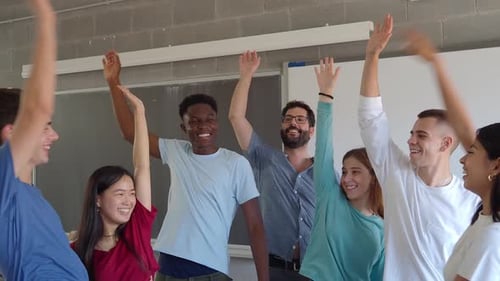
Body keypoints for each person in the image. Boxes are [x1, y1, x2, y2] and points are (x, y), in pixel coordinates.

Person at [103, 51, 269, 281]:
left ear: (217, 124)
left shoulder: (235, 164)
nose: (203, 126)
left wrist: (264, 278)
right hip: (168, 270)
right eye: (194, 121)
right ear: (184, 128)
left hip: (212, 272)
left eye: (209, 119)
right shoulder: (176, 151)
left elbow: (255, 226)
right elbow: (130, 133)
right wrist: (113, 82)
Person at [358, 14, 480, 281]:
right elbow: (371, 119)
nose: (411, 140)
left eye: (421, 135)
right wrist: (372, 56)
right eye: (412, 134)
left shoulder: (470, 200)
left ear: (446, 143)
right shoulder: (396, 175)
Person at [0, 1, 88, 280]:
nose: (54, 135)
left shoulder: (28, 194)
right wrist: (46, 17)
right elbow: (37, 109)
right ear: (11, 132)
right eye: (45, 128)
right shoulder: (4, 182)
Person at [405, 30, 500, 281]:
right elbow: (465, 129)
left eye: (471, 152)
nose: (461, 159)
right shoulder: (485, 215)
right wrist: (436, 65)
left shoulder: (492, 238)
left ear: (495, 167)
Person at [229, 51, 315, 280]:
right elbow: (236, 117)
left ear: (312, 130)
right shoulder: (264, 158)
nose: (293, 123)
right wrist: (246, 75)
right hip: (274, 268)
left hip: (316, 270)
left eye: (300, 119)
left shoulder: (326, 172)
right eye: (287, 119)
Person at [299, 57, 385, 281]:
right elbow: (324, 146)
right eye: (345, 171)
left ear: (373, 177)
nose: (346, 178)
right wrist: (325, 96)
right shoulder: (330, 197)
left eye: (356, 171)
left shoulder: (383, 229)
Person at [72, 86, 159, 281]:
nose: (129, 201)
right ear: (98, 200)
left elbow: (142, 166)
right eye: (120, 194)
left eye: (132, 193)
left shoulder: (137, 231)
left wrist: (139, 112)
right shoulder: (76, 252)